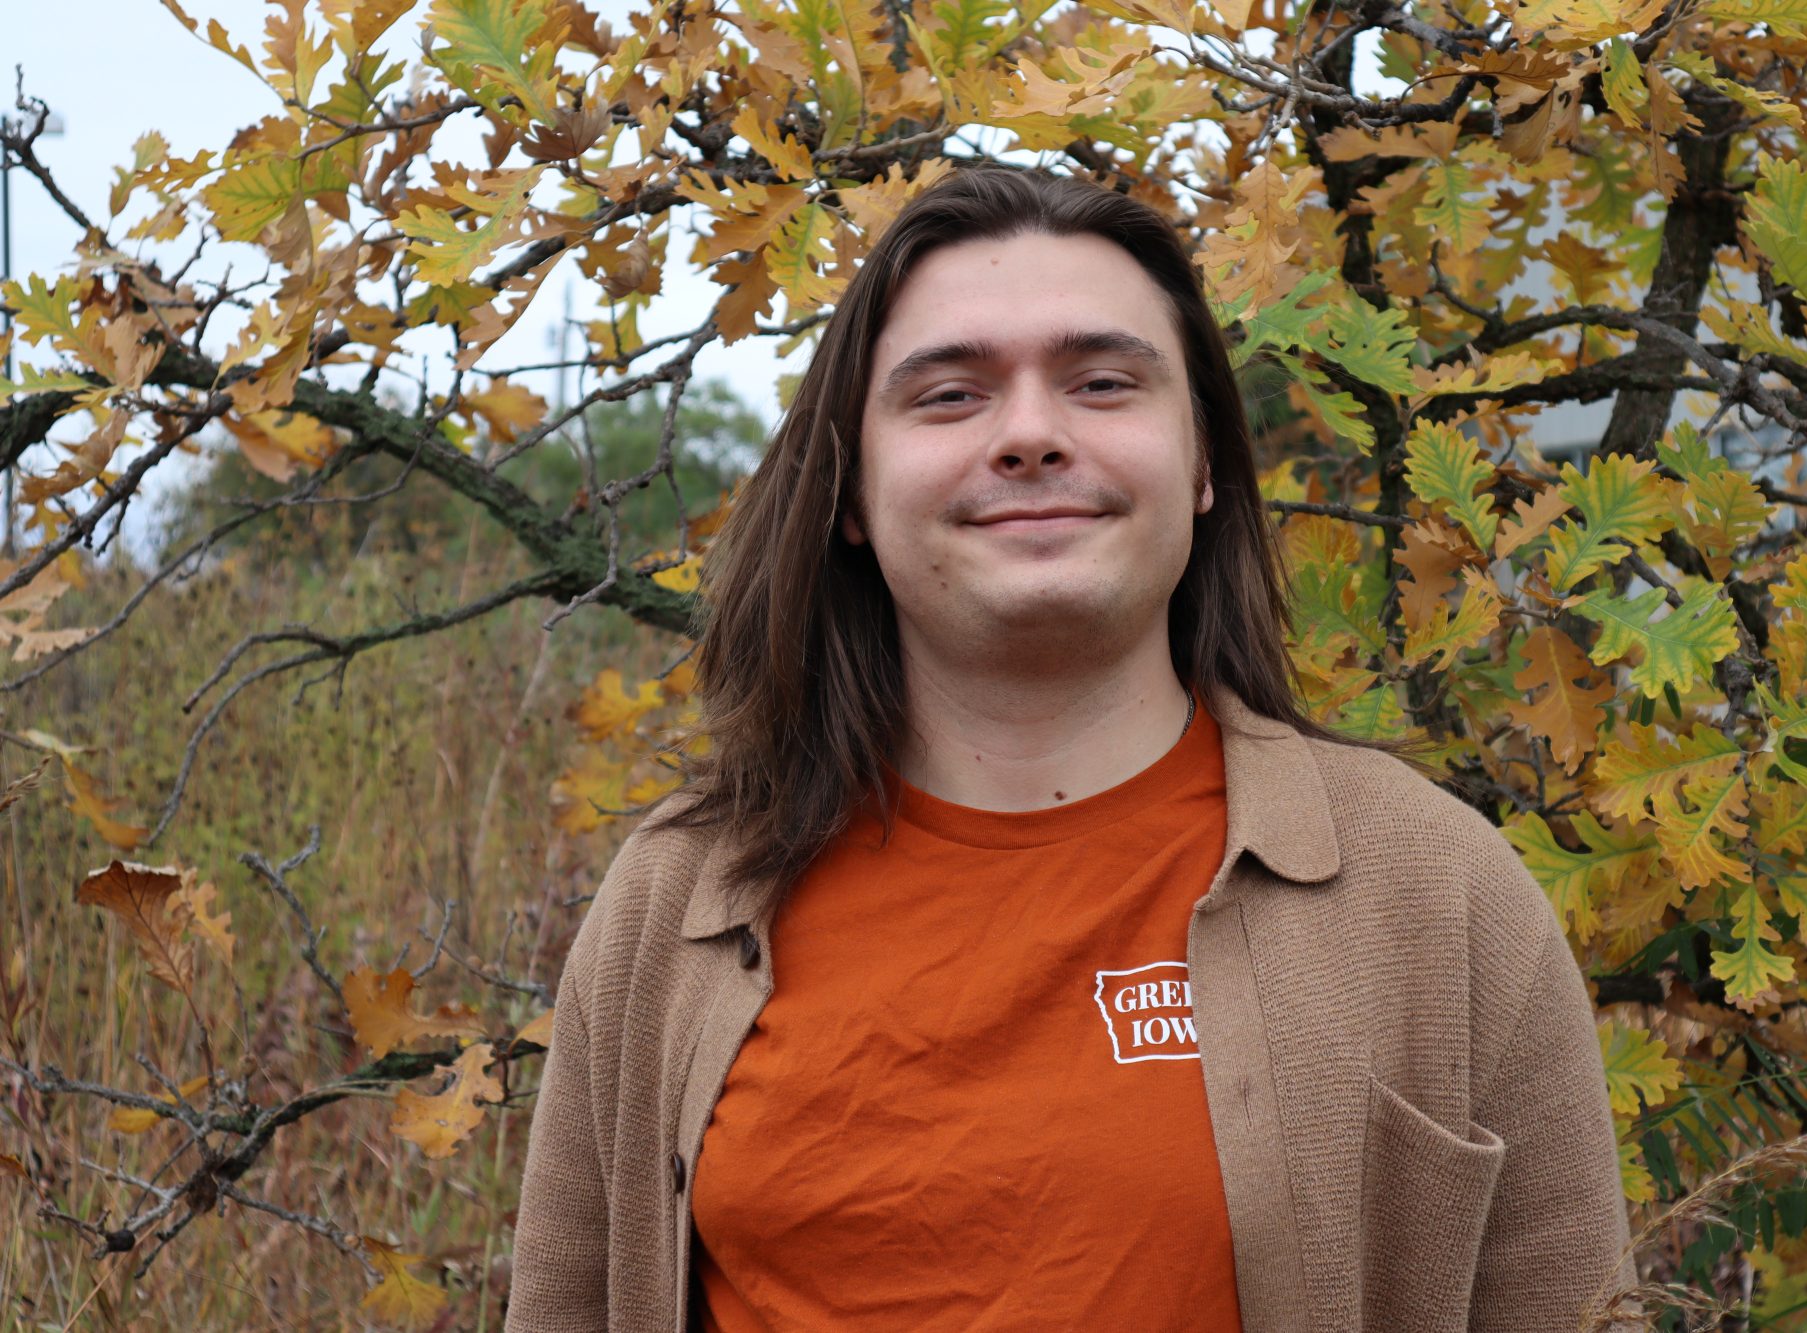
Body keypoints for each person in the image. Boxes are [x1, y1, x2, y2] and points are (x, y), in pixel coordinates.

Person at [504, 166, 1642, 1333]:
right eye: (948, 396)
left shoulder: (1432, 896)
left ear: (1202, 467)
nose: (1031, 435)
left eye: (1102, 383)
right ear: (849, 491)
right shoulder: (677, 902)